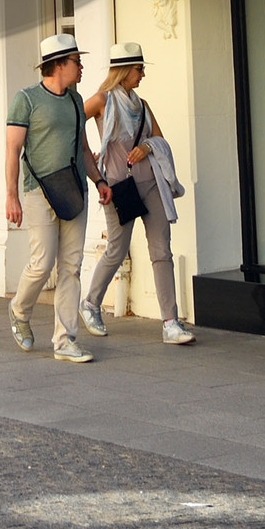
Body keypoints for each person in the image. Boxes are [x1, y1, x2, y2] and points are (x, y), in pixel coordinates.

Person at [5, 34, 111, 363]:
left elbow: (82, 148)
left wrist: (98, 180)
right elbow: (13, 150)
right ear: (59, 64)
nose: (81, 67)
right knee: (41, 263)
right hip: (38, 191)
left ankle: (65, 339)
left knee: (71, 267)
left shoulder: (76, 101)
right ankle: (19, 312)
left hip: (74, 189)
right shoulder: (27, 99)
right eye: (76, 61)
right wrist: (12, 196)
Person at [81, 42, 194, 347]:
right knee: (117, 250)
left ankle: (170, 322)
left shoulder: (142, 105)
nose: (142, 74)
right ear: (123, 71)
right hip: (119, 186)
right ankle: (90, 303)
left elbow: (158, 137)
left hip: (151, 183)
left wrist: (148, 146)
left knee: (161, 251)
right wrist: (89, 160)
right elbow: (73, 123)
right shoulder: (102, 100)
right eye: (139, 69)